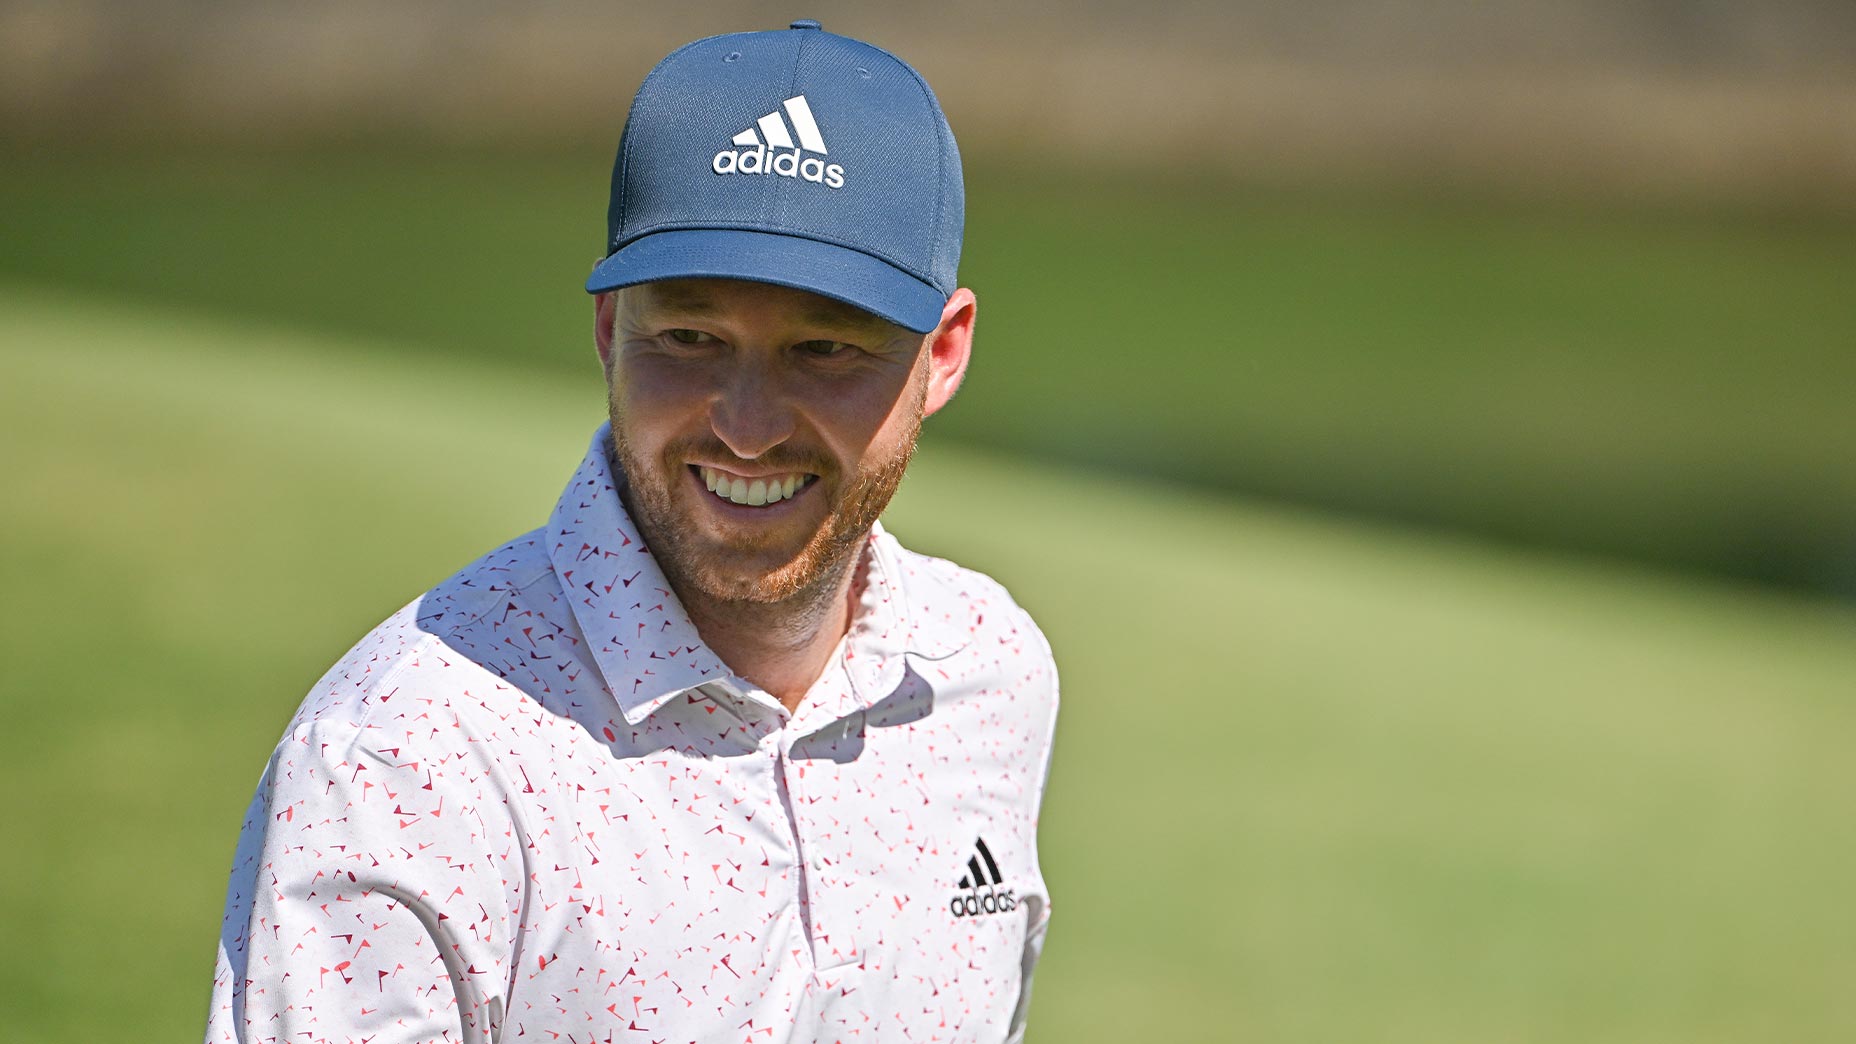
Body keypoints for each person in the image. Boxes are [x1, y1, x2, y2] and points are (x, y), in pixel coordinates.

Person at [205, 21, 1059, 1044]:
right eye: (690, 338)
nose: (747, 428)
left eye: (825, 348)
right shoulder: (403, 760)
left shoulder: (987, 674)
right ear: (610, 328)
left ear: (944, 353)